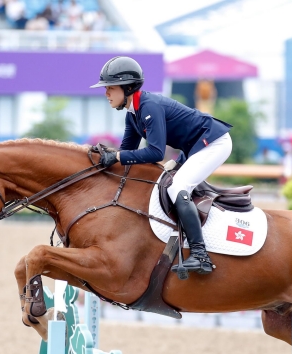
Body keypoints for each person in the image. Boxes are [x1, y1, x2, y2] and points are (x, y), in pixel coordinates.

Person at [90, 56, 232, 276]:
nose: (106, 93)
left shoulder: (149, 106)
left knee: (177, 188)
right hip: (193, 148)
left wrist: (117, 156)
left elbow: (155, 152)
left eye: (110, 87)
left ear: (127, 88)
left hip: (214, 142)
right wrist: (105, 164)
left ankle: (200, 254)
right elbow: (127, 154)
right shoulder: (133, 115)